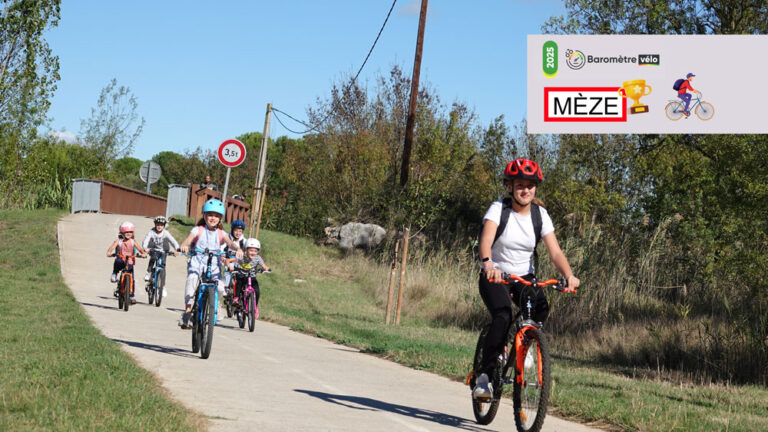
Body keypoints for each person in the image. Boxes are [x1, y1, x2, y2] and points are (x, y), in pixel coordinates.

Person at [472, 158, 580, 399]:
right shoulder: (498, 209)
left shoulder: (540, 215)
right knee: (503, 315)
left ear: (535, 188)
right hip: (496, 275)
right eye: (520, 185)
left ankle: (525, 346)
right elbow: (486, 240)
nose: (525, 190)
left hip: (524, 277)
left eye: (530, 186)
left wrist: (569, 275)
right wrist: (488, 264)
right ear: (510, 187)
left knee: (541, 308)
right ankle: (484, 378)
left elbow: (555, 251)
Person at [178, 199, 243, 329]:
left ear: (220, 219)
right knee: (192, 282)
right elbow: (188, 240)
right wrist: (184, 246)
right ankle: (187, 312)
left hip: (213, 265)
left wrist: (238, 249)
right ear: (204, 216)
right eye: (210, 215)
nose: (213, 218)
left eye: (216, 216)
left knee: (220, 287)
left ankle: (215, 305)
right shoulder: (198, 230)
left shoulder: (221, 233)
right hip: (197, 263)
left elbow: (230, 243)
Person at [106, 221, 148, 304]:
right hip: (121, 259)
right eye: (126, 232)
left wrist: (143, 253)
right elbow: (112, 247)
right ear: (122, 233)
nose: (128, 234)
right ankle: (115, 273)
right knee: (117, 261)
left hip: (129, 261)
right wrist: (109, 252)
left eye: (130, 232)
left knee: (132, 278)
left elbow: (139, 249)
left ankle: (132, 295)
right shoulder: (119, 241)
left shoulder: (133, 241)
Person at [141, 215, 180, 297]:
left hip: (163, 251)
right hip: (153, 249)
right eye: (158, 224)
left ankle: (163, 287)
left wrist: (177, 249)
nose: (159, 226)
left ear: (164, 226)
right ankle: (149, 273)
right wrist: (145, 248)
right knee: (153, 258)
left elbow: (172, 241)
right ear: (155, 224)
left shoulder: (165, 233)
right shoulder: (151, 232)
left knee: (163, 267)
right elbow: (146, 240)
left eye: (161, 225)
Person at [230, 238, 270, 316]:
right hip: (241, 275)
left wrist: (266, 269)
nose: (253, 253)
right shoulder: (242, 256)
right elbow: (234, 261)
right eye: (251, 250)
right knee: (238, 283)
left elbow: (263, 265)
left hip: (252, 277)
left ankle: (255, 307)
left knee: (257, 291)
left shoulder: (258, 258)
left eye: (255, 251)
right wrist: (232, 266)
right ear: (246, 249)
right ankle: (236, 298)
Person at [221, 219, 247, 293]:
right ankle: (226, 287)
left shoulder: (244, 241)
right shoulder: (228, 239)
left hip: (239, 261)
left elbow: (247, 251)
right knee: (228, 270)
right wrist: (222, 255)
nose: (238, 233)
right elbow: (222, 248)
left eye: (240, 231)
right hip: (228, 260)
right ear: (232, 230)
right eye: (236, 231)